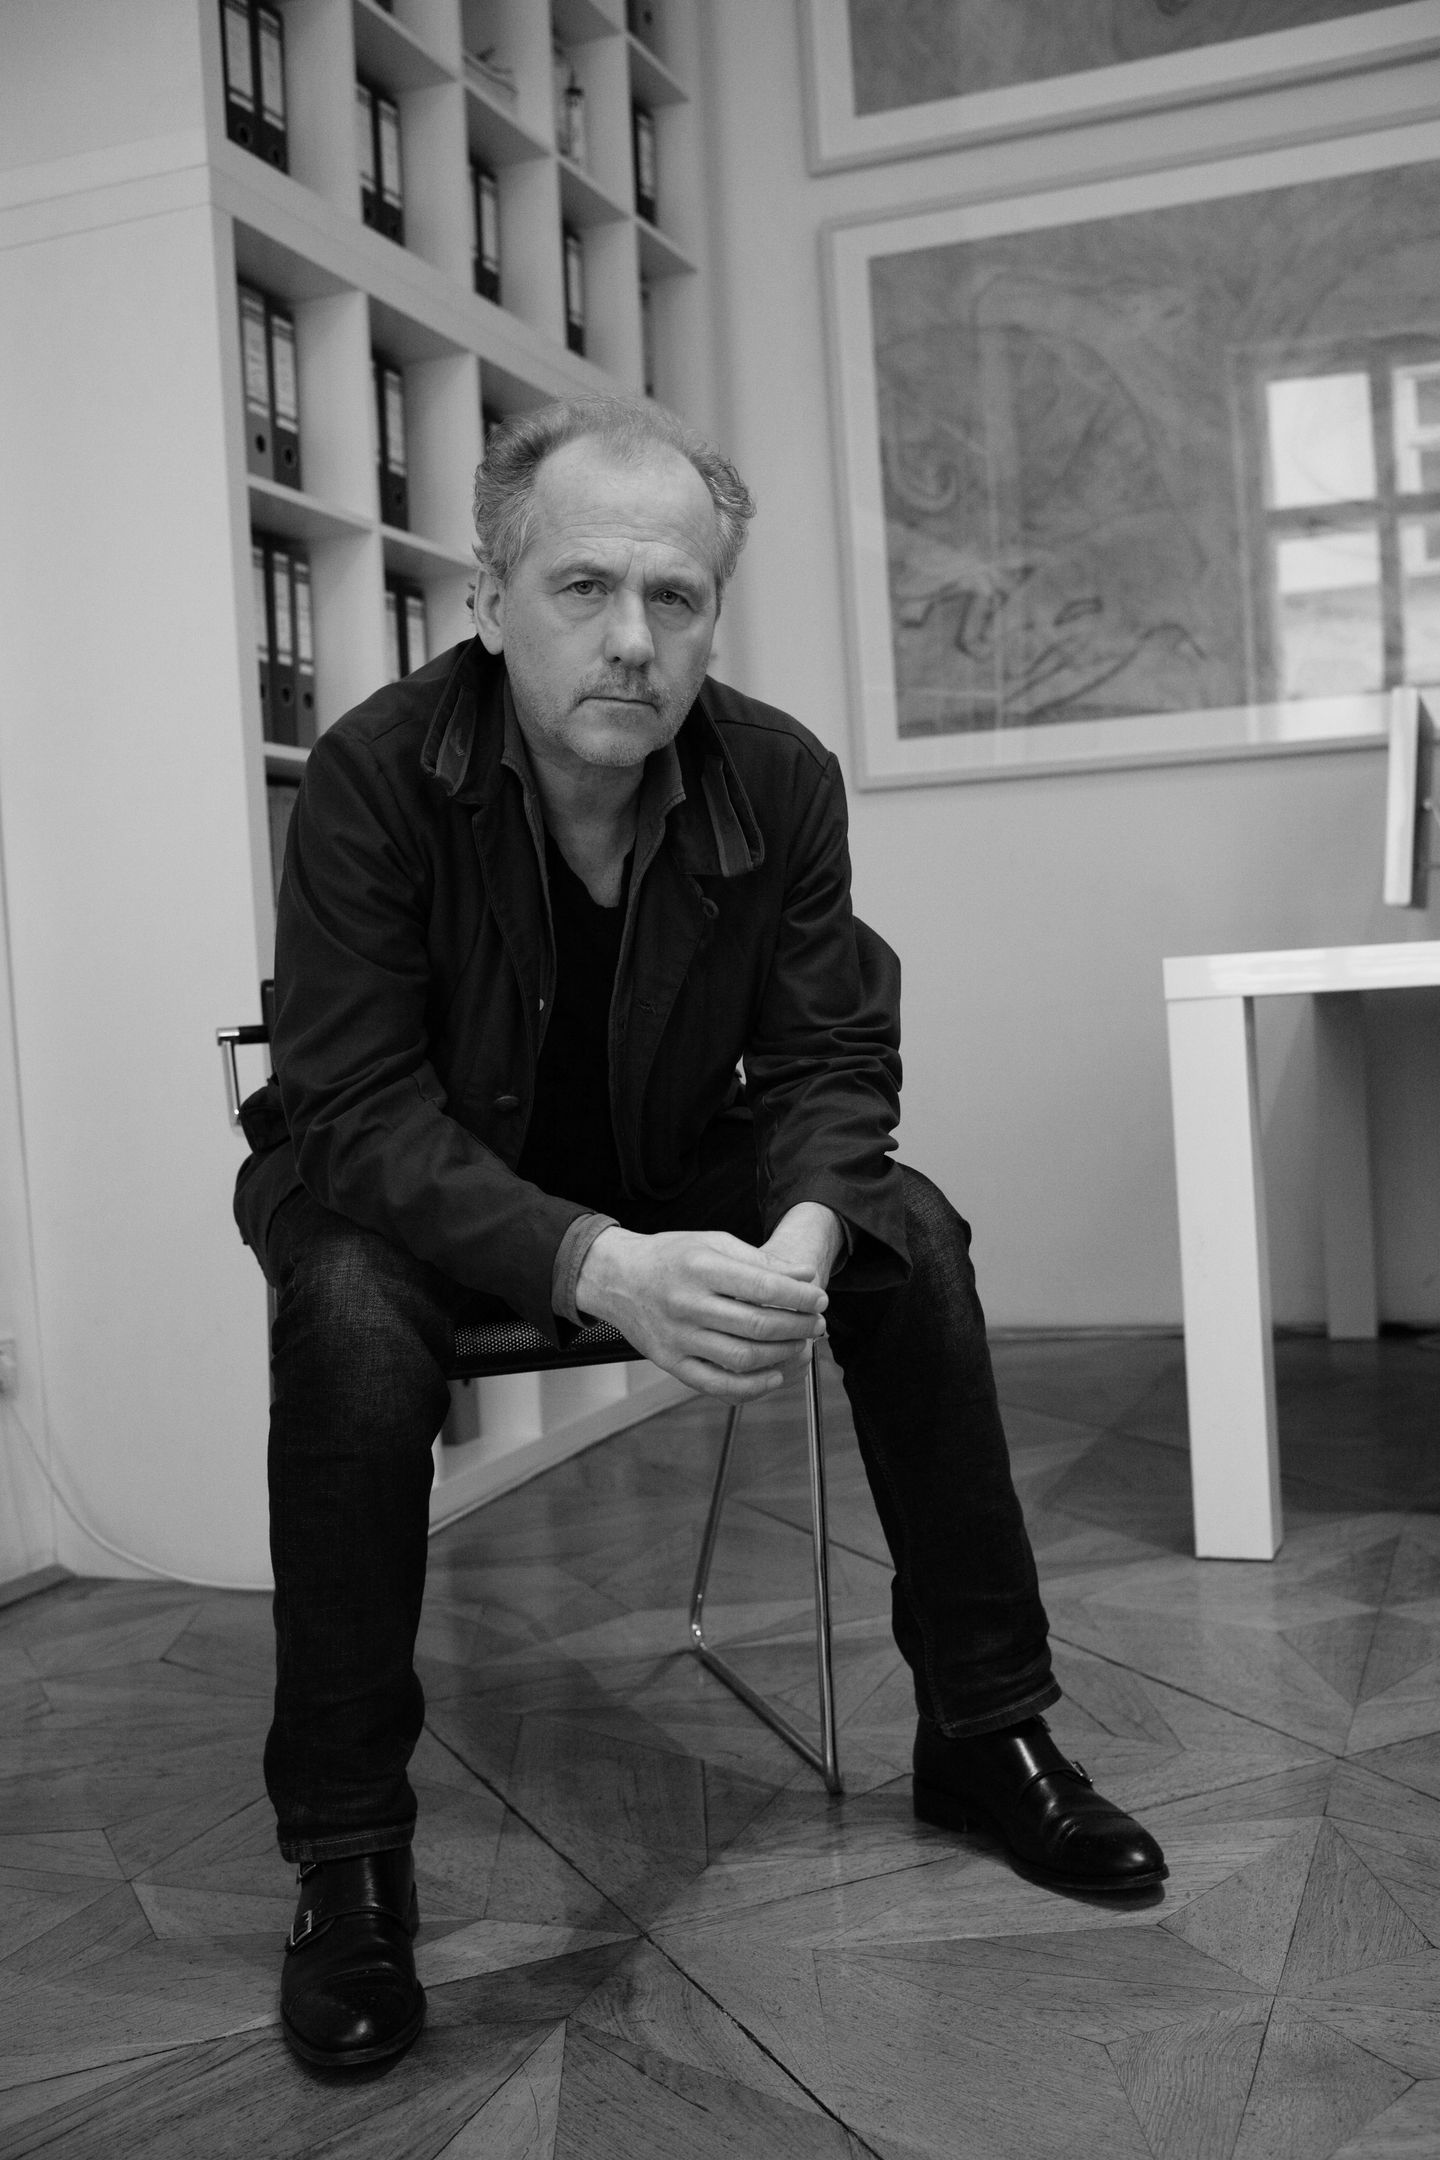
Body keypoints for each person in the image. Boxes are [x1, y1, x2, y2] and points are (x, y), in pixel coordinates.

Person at [233, 395, 1166, 2072]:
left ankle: (986, 1731)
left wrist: (806, 1235)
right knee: (352, 1320)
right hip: (406, 1178)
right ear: (488, 599)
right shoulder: (378, 770)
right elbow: (354, 1109)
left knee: (908, 1233)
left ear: (712, 615)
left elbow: (826, 1059)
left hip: (666, 1149)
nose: (632, 638)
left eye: (675, 597)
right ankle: (349, 1853)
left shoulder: (778, 774)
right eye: (584, 588)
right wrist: (606, 1265)